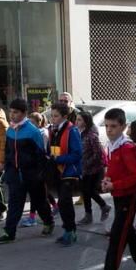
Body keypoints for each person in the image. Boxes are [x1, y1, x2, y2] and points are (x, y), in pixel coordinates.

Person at [96, 108, 136, 270]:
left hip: (128, 197)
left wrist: (115, 184)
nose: (109, 130)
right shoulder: (112, 145)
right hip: (118, 195)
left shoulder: (126, 148)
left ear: (123, 126)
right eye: (107, 126)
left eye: (114, 126)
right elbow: (113, 169)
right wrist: (107, 180)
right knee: (127, 232)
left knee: (117, 238)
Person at [0, 99, 55, 244]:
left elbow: (41, 154)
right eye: (11, 112)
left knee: (40, 201)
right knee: (15, 204)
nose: (12, 115)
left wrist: (40, 175)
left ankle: (48, 222)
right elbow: (8, 151)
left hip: (32, 175)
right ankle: (9, 232)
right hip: (15, 175)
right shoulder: (10, 130)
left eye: (15, 112)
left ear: (24, 113)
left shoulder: (33, 131)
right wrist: (7, 168)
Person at [47, 102, 83, 246]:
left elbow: (77, 154)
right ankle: (67, 230)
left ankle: (71, 231)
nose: (53, 119)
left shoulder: (72, 130)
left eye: (56, 116)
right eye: (52, 116)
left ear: (65, 116)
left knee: (64, 201)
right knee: (62, 203)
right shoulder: (53, 130)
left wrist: (58, 159)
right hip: (57, 170)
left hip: (69, 171)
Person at [21, 112, 57, 228]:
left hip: (42, 166)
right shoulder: (33, 133)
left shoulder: (42, 134)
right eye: (29, 122)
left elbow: (43, 151)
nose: (30, 125)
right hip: (36, 167)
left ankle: (32, 217)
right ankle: (55, 206)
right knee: (41, 192)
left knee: (37, 194)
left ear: (39, 123)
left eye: (32, 123)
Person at [76, 111, 112, 224]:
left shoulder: (92, 135)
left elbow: (98, 154)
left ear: (86, 121)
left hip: (93, 169)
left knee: (89, 190)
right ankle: (89, 215)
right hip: (84, 168)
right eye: (77, 119)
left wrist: (87, 163)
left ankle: (103, 206)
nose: (77, 122)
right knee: (85, 191)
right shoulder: (81, 133)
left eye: (79, 120)